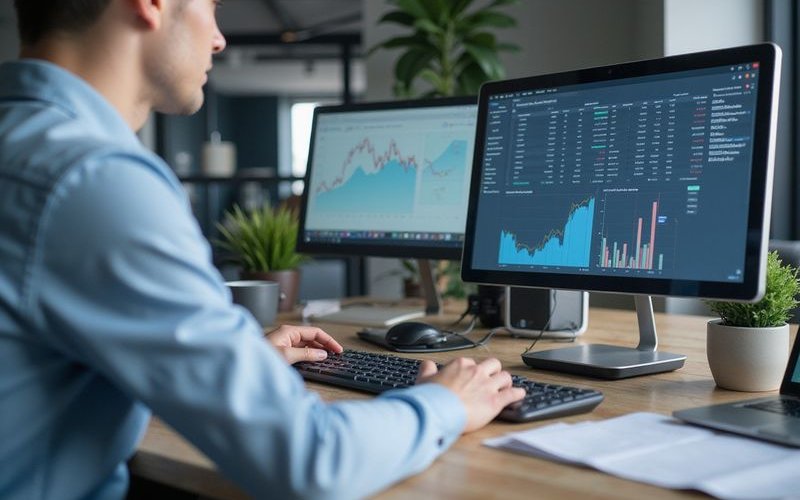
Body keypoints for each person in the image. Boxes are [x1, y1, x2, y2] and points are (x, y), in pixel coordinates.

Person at [0, 1, 525, 498]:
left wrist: (233, 363)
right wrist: (444, 404)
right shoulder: (94, 181)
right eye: (212, 7)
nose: (220, 39)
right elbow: (309, 462)